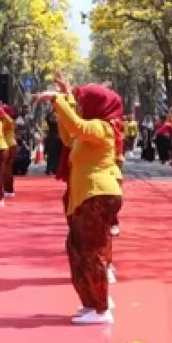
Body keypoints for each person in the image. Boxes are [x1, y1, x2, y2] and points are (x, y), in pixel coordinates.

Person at [41, 81, 123, 325]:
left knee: (91, 253)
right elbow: (68, 132)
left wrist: (57, 99)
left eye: (84, 101)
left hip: (97, 194)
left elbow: (76, 125)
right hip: (86, 195)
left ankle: (101, 308)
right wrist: (65, 99)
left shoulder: (102, 127)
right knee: (77, 251)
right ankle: (91, 303)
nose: (80, 105)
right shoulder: (87, 131)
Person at [1, 105, 18, 197]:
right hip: (12, 144)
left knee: (6, 168)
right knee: (8, 168)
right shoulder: (10, 120)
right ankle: (9, 189)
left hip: (9, 145)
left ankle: (8, 189)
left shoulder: (7, 120)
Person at [44, 108, 63, 175]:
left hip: (60, 139)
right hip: (52, 138)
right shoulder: (50, 116)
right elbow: (49, 120)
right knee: (51, 154)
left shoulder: (62, 115)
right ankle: (49, 169)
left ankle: (56, 169)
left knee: (58, 155)